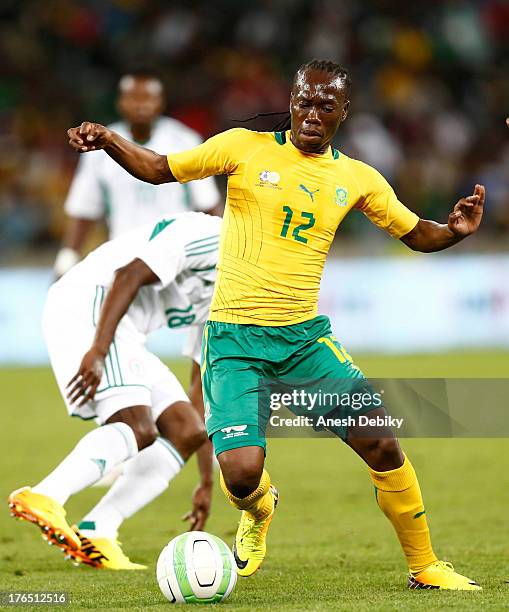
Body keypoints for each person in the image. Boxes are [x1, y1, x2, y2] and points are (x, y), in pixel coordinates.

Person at [65, 59, 485, 590]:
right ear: (291, 100)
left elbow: (414, 233)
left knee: (381, 442)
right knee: (240, 475)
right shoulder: (243, 146)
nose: (311, 114)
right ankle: (259, 509)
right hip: (235, 341)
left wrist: (454, 230)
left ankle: (426, 566)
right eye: (303, 101)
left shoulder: (357, 178)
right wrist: (107, 139)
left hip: (304, 340)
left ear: (343, 113)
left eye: (324, 106)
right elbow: (157, 167)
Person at [9, 211, 221, 569]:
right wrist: (99, 351)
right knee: (138, 426)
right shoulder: (215, 235)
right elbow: (129, 274)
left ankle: (98, 529)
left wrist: (206, 482)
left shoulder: (236, 297)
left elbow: (200, 387)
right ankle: (46, 494)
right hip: (88, 305)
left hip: (124, 334)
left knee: (188, 428)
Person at [53, 68, 221, 278]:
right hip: (123, 257)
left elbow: (209, 205)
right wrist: (65, 261)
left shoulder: (185, 141)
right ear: (120, 102)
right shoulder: (99, 147)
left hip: (177, 261)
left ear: (160, 102)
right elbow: (84, 212)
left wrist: (221, 256)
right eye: (133, 98)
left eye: (148, 98)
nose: (141, 104)